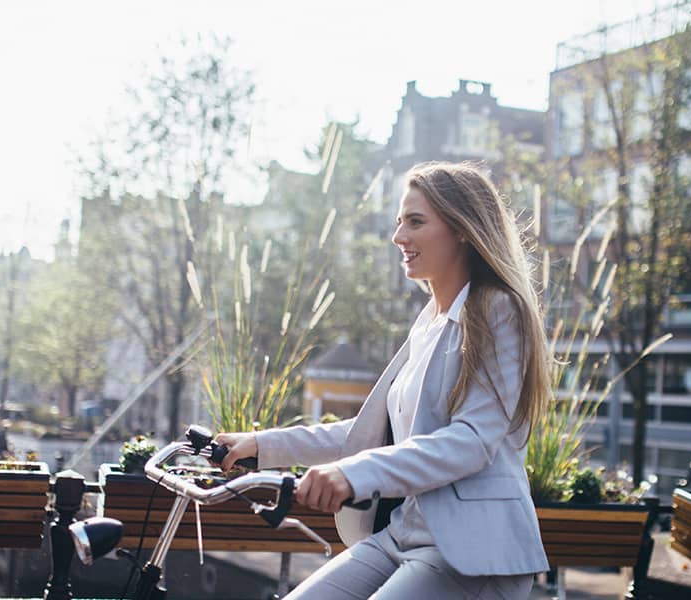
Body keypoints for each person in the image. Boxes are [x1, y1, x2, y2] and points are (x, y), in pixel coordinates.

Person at [216, 161, 551, 599]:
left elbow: (471, 441)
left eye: (415, 222)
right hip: (403, 535)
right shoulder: (430, 321)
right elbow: (372, 436)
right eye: (399, 222)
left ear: (463, 229)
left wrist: (353, 474)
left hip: (471, 552)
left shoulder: (498, 310)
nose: (399, 237)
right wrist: (263, 445)